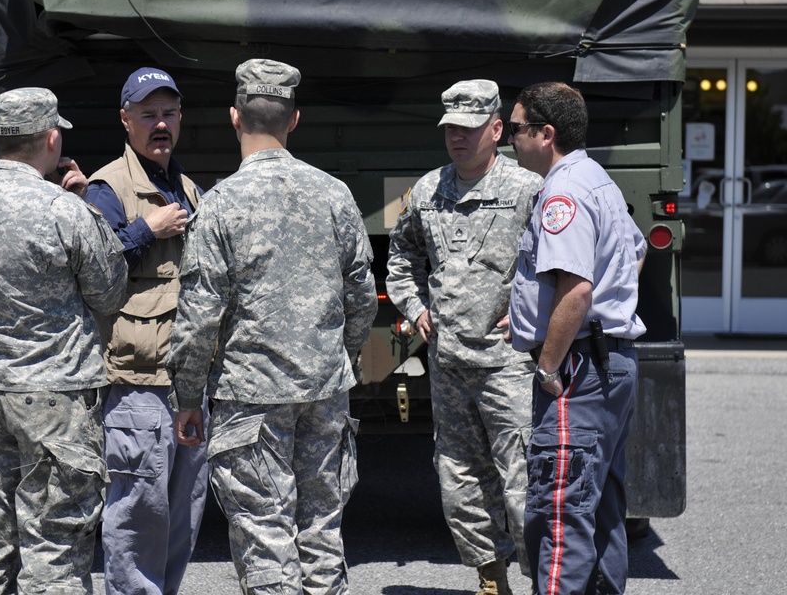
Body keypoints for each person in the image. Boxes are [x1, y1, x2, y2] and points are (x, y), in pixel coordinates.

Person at [166, 58, 377, 595]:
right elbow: (362, 297)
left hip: (250, 396)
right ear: (295, 120)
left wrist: (188, 395)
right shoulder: (334, 195)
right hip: (325, 390)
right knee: (322, 534)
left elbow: (198, 315)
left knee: (266, 540)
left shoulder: (219, 205)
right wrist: (344, 360)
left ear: (235, 118)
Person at [0, 87, 129, 593]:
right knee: (55, 551)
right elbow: (110, 293)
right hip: (56, 399)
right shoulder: (63, 210)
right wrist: (82, 204)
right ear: (51, 137)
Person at [386, 79, 541, 595]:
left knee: (523, 484)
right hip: (450, 367)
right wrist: (413, 308)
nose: (458, 137)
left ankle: (544, 579)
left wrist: (531, 309)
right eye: (450, 128)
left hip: (510, 368)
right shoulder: (427, 190)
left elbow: (564, 264)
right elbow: (400, 259)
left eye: (469, 129)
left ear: (496, 129)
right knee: (460, 484)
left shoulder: (529, 190)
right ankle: (491, 580)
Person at [507, 82, 646, 595]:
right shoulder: (596, 178)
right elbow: (633, 251)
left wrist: (548, 363)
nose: (510, 140)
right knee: (601, 506)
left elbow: (577, 288)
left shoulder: (563, 192)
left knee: (559, 516)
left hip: (577, 373)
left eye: (517, 129)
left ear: (546, 134)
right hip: (608, 362)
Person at [84, 67, 209, 595]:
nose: (161, 124)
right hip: (137, 387)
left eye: (169, 113)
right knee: (137, 519)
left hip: (189, 388)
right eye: (148, 114)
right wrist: (144, 230)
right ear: (125, 119)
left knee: (183, 518)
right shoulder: (107, 188)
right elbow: (91, 272)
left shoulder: (189, 189)